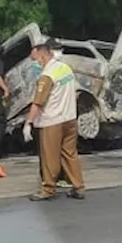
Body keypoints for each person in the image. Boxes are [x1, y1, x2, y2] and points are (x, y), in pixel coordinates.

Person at [23, 37, 86, 201]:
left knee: (49, 156)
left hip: (52, 121)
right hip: (70, 118)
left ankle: (48, 189)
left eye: (34, 59)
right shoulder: (65, 68)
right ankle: (78, 186)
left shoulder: (47, 75)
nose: (34, 63)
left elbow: (38, 103)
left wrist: (28, 123)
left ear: (43, 56)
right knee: (70, 154)